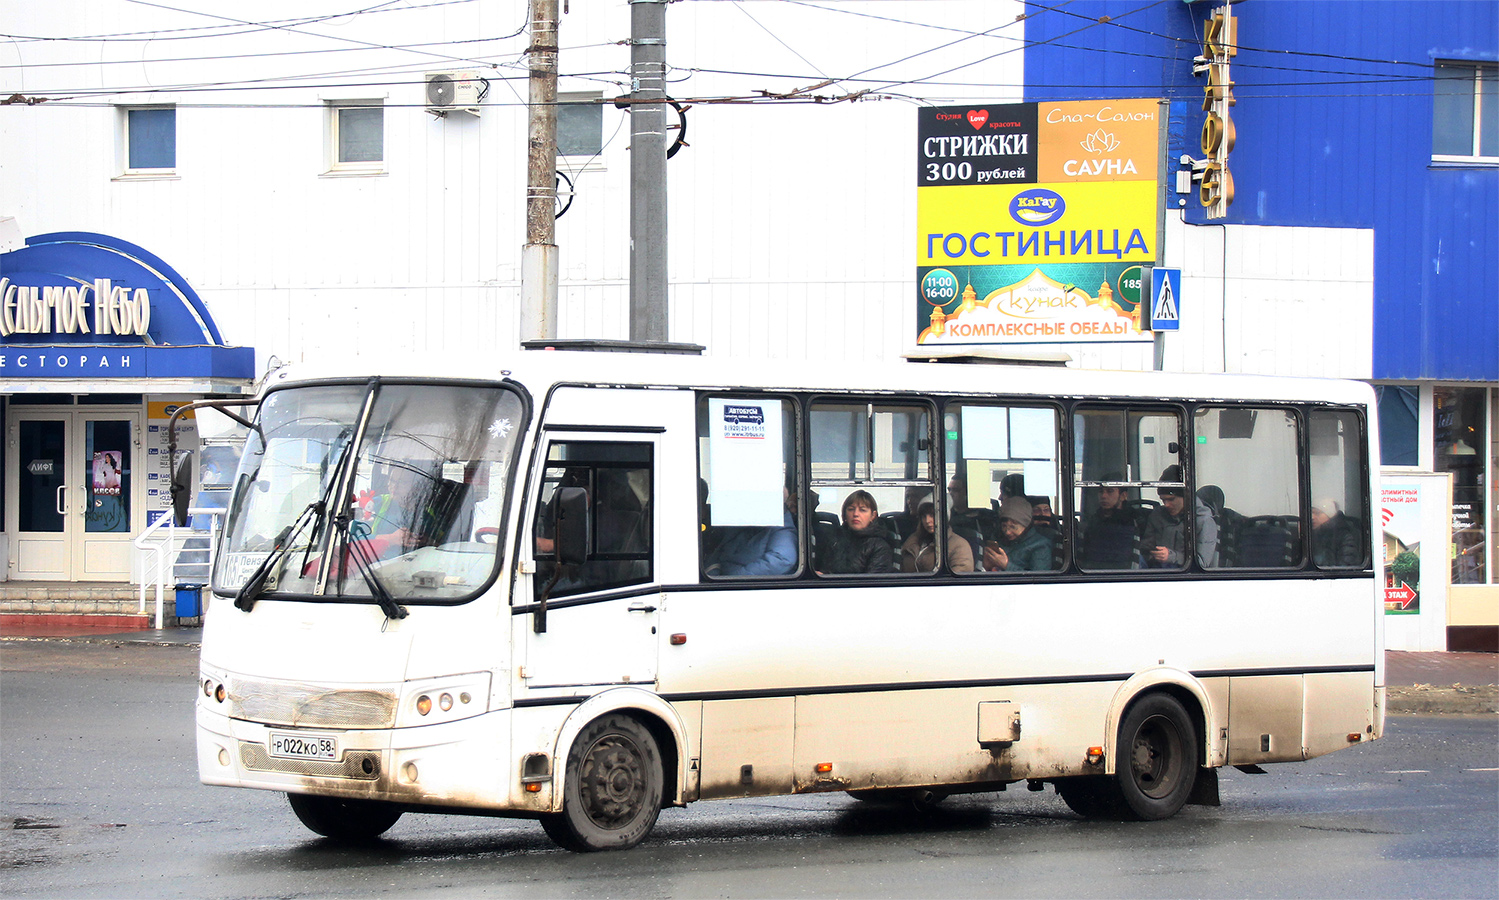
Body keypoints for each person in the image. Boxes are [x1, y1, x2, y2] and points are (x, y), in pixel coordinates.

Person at [704, 485, 798, 577]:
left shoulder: (783, 531)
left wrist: (734, 578)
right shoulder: (749, 523)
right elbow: (720, 550)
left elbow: (782, 560)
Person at [1139, 465, 1218, 568]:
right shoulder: (1157, 515)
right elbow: (1145, 547)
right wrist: (1151, 552)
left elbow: (1202, 562)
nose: (1166, 504)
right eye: (1163, 500)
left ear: (1186, 496)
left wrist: (1171, 556)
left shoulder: (1203, 521)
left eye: (1171, 499)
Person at [823, 489, 895, 574]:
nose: (855, 514)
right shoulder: (835, 539)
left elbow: (872, 582)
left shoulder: (879, 546)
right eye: (851, 509)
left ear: (873, 516)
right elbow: (825, 571)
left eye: (862, 510)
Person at [1078, 476, 1139, 570]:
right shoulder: (1091, 523)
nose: (1103, 496)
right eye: (1101, 491)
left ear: (1123, 496)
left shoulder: (1134, 522)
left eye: (1110, 491)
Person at [899, 498, 974, 573]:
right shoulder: (912, 541)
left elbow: (958, 577)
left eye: (932, 515)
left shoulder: (959, 545)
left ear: (944, 518)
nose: (927, 521)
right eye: (924, 516)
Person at [981, 496, 1052, 572]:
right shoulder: (999, 539)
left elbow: (1039, 579)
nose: (1007, 532)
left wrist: (1006, 565)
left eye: (1013, 527)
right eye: (1004, 526)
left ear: (1026, 525)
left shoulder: (1040, 545)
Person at [1311, 497, 1361, 567]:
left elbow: (1347, 566)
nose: (1312, 517)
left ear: (1330, 515)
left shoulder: (1344, 536)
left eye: (1317, 513)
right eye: (1311, 513)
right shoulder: (1313, 534)